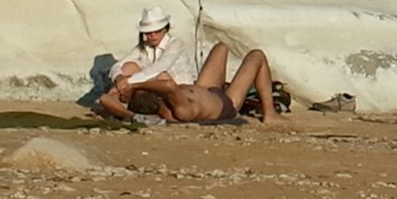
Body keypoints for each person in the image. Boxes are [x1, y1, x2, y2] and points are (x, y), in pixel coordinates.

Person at [91, 12, 283, 124]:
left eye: (156, 31)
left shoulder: (174, 45)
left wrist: (123, 84)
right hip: (226, 102)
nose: (151, 36)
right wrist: (132, 84)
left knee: (222, 47)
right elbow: (166, 84)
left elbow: (105, 99)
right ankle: (270, 114)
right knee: (257, 56)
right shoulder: (176, 109)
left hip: (202, 87)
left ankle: (268, 110)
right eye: (148, 33)